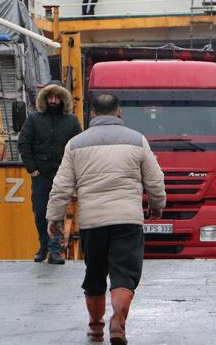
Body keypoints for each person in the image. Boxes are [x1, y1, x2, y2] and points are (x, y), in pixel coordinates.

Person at [46, 93, 166, 345]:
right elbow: (155, 180)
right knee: (124, 274)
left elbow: (61, 185)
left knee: (95, 274)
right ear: (119, 112)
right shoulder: (137, 140)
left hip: (93, 222)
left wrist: (54, 216)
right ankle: (118, 321)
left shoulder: (75, 144)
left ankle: (96, 327)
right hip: (127, 219)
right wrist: (156, 206)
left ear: (92, 114)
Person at [17, 83, 82, 265]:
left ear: (63, 99)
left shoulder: (71, 121)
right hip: (41, 175)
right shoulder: (34, 119)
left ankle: (55, 250)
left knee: (58, 212)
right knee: (39, 212)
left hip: (62, 175)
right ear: (44, 99)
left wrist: (73, 171)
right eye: (49, 97)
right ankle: (43, 245)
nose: (53, 100)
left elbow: (78, 146)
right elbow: (24, 143)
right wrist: (32, 169)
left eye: (57, 97)